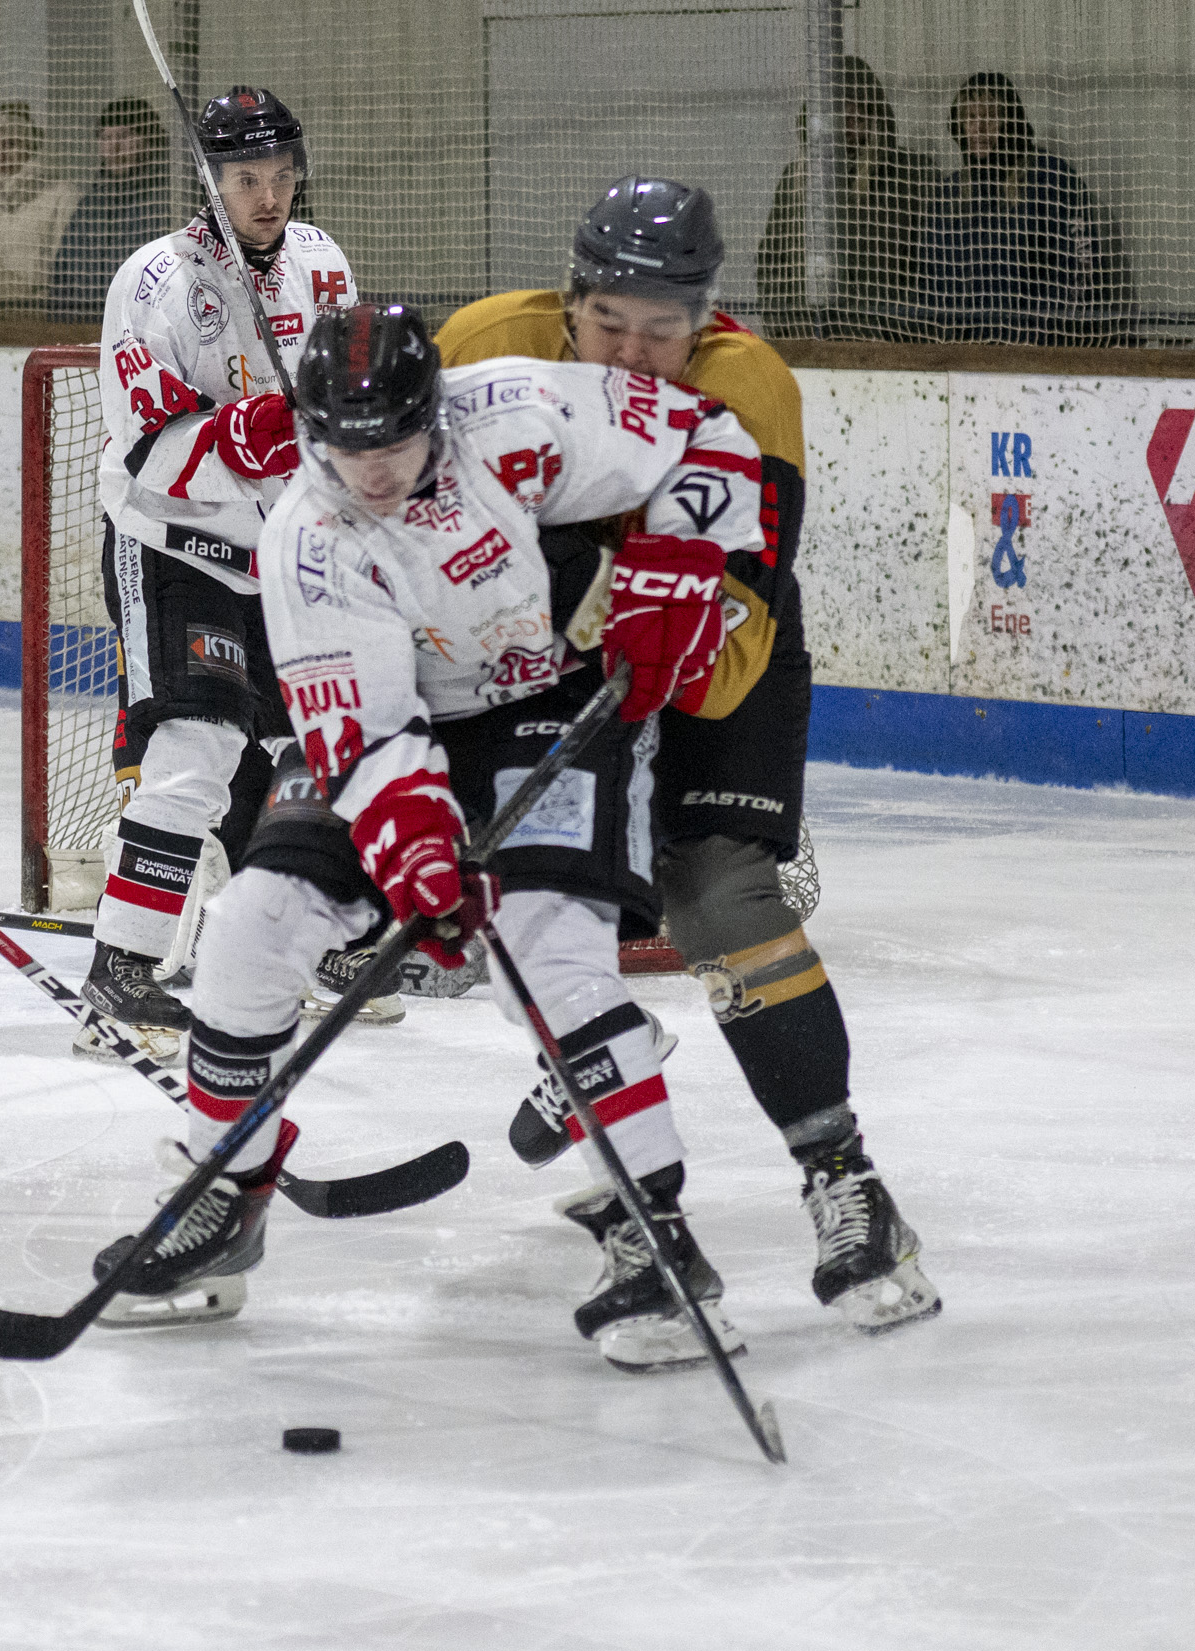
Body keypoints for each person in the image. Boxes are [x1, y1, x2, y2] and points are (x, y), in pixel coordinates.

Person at [89, 304, 772, 1361]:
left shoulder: (519, 409)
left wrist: (681, 559)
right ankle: (224, 1186)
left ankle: (660, 1240)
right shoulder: (301, 534)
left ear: (434, 414)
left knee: (552, 959)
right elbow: (363, 729)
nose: (368, 469)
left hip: (542, 703)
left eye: (393, 442)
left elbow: (708, 435)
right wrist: (415, 853)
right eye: (340, 444)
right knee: (251, 926)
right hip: (393, 723)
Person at [435, 177, 940, 1339]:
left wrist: (641, 627)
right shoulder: (487, 346)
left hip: (717, 641)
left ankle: (847, 1183)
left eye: (662, 331)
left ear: (704, 317)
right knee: (540, 909)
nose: (633, 354)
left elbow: (733, 643)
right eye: (610, 325)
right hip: (548, 647)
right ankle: (621, 1155)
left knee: (718, 892)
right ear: (570, 301)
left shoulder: (747, 383)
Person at [76, 85, 360, 1057]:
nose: (271, 197)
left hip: (282, 548)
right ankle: (124, 964)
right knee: (195, 748)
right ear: (211, 182)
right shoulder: (155, 282)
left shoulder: (320, 264)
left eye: (283, 176)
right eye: (249, 179)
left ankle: (290, 944)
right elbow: (149, 449)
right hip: (174, 542)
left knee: (307, 748)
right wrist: (252, 428)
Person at [753, 53, 941, 340]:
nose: (850, 118)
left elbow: (933, 264)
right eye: (840, 108)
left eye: (859, 109)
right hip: (804, 336)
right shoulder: (797, 178)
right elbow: (772, 258)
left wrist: (909, 329)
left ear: (875, 114)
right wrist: (782, 323)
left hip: (885, 340)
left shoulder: (912, 174)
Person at [925, 71, 1109, 344]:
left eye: (990, 117)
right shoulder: (950, 193)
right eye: (971, 118)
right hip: (967, 355)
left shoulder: (1052, 178)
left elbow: (1079, 269)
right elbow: (933, 280)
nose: (980, 129)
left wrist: (1046, 339)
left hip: (1038, 352)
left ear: (1011, 120)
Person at [48, 98, 176, 321]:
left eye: (125, 136)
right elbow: (62, 278)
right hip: (85, 330)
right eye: (106, 138)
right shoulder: (88, 205)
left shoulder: (170, 201)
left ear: (150, 139)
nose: (114, 147)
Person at [0, 100, 81, 313]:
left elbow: (68, 274)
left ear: (30, 146)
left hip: (42, 320)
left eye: (10, 144)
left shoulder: (63, 198)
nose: (1, 156)